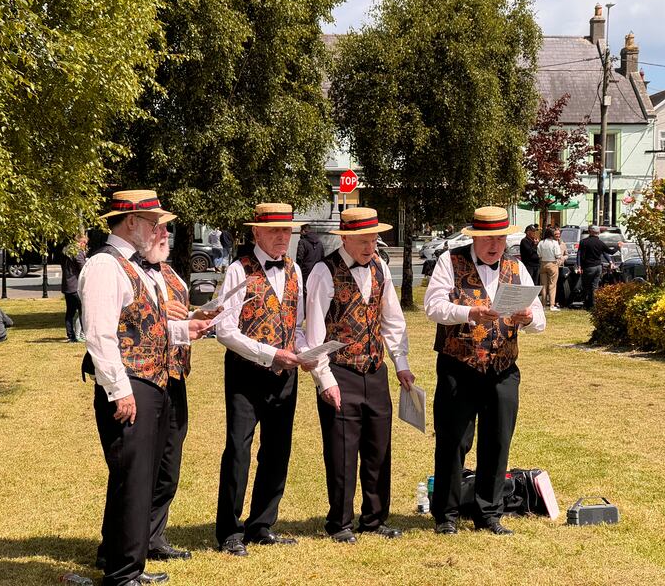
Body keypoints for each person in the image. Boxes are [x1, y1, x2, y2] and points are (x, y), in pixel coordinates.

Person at [79, 189, 209, 586]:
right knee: (132, 479)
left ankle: (131, 565)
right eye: (154, 223)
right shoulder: (106, 266)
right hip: (131, 383)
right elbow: (99, 335)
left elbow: (143, 324)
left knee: (141, 478)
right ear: (132, 223)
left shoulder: (136, 267)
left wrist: (184, 329)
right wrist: (119, 390)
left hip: (152, 383)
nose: (158, 231)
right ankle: (122, 574)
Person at [424, 206, 545, 536]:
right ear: (475, 238)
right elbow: (433, 307)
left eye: (501, 238)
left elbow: (540, 317)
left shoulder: (516, 266)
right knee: (453, 441)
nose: (495, 245)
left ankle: (489, 512)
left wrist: (529, 318)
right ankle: (446, 514)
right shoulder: (450, 261)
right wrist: (470, 312)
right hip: (459, 366)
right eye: (489, 238)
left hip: (503, 368)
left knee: (498, 439)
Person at [305, 208, 414, 544]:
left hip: (374, 369)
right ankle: (340, 523)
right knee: (341, 450)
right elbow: (314, 333)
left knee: (379, 447)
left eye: (374, 239)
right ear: (346, 238)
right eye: (364, 240)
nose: (371, 246)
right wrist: (325, 380)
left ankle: (375, 518)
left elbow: (392, 319)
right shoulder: (323, 272)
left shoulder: (380, 267)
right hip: (340, 371)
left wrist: (401, 363)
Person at [214, 203, 316, 557]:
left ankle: (262, 525)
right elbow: (224, 330)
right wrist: (270, 354)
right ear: (255, 232)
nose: (282, 238)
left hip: (285, 375)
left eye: (287, 231)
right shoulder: (237, 271)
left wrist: (305, 353)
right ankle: (229, 531)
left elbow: (296, 325)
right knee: (239, 451)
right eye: (274, 231)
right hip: (246, 374)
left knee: (277, 450)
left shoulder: (295, 271)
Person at [576, 225, 613, 310]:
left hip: (588, 267)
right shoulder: (600, 242)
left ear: (590, 232)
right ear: (598, 233)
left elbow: (580, 255)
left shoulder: (583, 242)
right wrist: (618, 247)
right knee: (594, 286)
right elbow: (609, 252)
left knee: (586, 286)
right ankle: (593, 304)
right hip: (598, 267)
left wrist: (579, 266)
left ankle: (586, 303)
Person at [62, 234, 88, 342]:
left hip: (67, 285)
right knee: (83, 311)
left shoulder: (65, 251)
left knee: (70, 313)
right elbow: (83, 267)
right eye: (85, 244)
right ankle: (84, 334)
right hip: (75, 286)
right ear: (82, 242)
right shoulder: (77, 252)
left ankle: (71, 336)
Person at [537, 227, 561, 311]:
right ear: (552, 234)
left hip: (543, 264)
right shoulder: (554, 243)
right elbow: (558, 255)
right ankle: (551, 305)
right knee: (552, 285)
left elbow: (539, 255)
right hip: (552, 263)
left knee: (543, 285)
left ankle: (543, 305)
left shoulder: (541, 243)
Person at [296, 223, 324, 288]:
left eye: (300, 231)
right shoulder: (319, 242)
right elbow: (323, 257)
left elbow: (299, 257)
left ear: (303, 231)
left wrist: (298, 270)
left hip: (306, 271)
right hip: (318, 270)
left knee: (306, 290)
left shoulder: (302, 242)